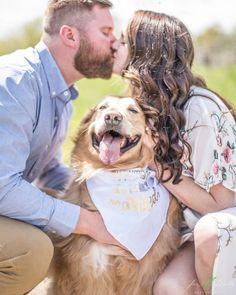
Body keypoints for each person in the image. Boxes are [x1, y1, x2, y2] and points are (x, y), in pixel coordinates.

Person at [0, 0, 121, 294]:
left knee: (62, 223)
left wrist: (104, 197)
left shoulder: (59, 92)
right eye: (106, 32)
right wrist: (88, 222)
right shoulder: (17, 83)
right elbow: (2, 186)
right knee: (34, 250)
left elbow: (49, 170)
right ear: (70, 36)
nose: (115, 42)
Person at [113, 10, 236, 295]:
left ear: (144, 51)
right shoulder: (146, 107)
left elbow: (222, 205)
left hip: (221, 224)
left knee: (210, 233)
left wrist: (160, 170)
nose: (114, 47)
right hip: (191, 232)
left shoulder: (200, 110)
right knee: (169, 287)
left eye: (123, 41)